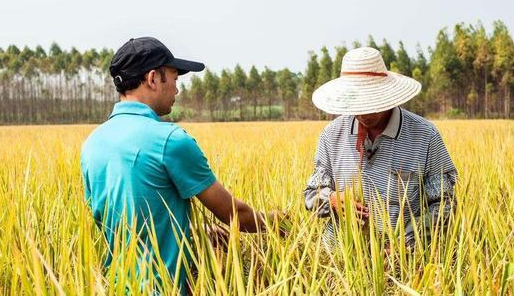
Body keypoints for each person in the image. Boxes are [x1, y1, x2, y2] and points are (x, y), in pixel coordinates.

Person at [80, 37, 281, 294]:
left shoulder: (92, 144)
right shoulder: (170, 140)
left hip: (117, 288)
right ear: (153, 78)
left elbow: (125, 221)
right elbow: (235, 215)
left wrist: (191, 231)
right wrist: (281, 223)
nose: (177, 89)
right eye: (174, 78)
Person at [304, 47, 457, 252]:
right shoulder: (331, 136)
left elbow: (444, 205)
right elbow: (310, 196)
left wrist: (406, 244)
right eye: (357, 103)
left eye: (371, 102)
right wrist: (331, 199)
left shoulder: (425, 136)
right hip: (340, 257)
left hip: (403, 260)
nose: (364, 112)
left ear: (387, 95)